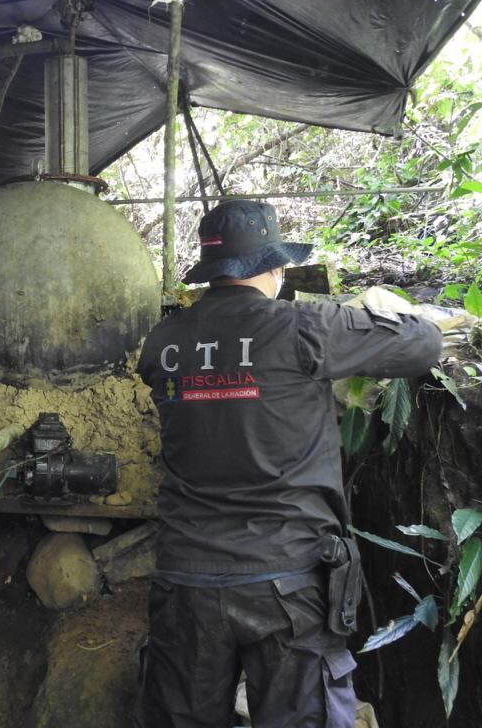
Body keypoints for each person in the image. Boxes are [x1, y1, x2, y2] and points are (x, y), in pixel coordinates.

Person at [134, 200, 442, 728]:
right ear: (274, 266)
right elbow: (425, 344)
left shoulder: (163, 341)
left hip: (185, 579)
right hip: (288, 581)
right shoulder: (304, 327)